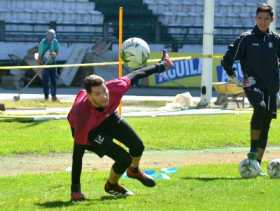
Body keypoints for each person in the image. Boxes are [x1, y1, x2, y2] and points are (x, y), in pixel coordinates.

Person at [67, 51, 174, 201]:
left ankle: (134, 171)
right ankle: (111, 185)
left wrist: (162, 66)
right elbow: (77, 155)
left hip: (108, 116)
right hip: (90, 132)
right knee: (123, 158)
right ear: (89, 96)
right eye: (97, 94)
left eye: (104, 90)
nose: (104, 96)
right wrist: (75, 190)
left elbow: (136, 74)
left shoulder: (115, 88)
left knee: (138, 146)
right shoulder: (82, 116)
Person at [221, 3, 280, 174]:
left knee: (267, 124)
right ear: (255, 18)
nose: (262, 21)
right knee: (260, 109)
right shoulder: (246, 38)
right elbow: (227, 59)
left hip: (272, 87)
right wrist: (236, 78)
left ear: (272, 19)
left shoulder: (275, 39)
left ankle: (256, 165)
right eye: (260, 18)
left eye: (266, 18)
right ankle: (253, 152)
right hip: (252, 85)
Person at [38, 29, 60, 101]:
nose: (51, 37)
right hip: (44, 64)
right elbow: (40, 53)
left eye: (53, 35)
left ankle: (54, 96)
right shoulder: (43, 42)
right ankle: (46, 96)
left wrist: (55, 54)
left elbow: (57, 51)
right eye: (50, 35)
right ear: (47, 35)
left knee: (54, 80)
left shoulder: (55, 42)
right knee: (46, 81)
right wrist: (41, 63)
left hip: (53, 63)